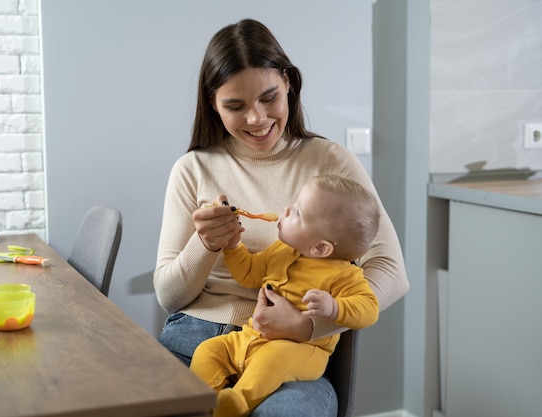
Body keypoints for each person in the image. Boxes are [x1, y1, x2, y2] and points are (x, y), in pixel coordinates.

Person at [153, 18, 409, 417]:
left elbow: (391, 269)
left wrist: (309, 325)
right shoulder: (192, 169)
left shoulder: (331, 162)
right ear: (212, 103)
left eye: (269, 98)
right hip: (195, 338)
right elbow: (169, 297)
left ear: (289, 82)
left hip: (291, 354)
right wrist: (205, 245)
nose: (256, 119)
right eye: (235, 106)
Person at [190, 174, 381, 417]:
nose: (287, 209)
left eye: (298, 213)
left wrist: (334, 308)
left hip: (300, 350)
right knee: (209, 350)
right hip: (250, 337)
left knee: (272, 360)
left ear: (321, 248)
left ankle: (236, 403)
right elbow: (248, 273)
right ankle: (201, 404)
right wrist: (233, 246)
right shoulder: (282, 250)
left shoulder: (345, 275)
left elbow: (369, 309)